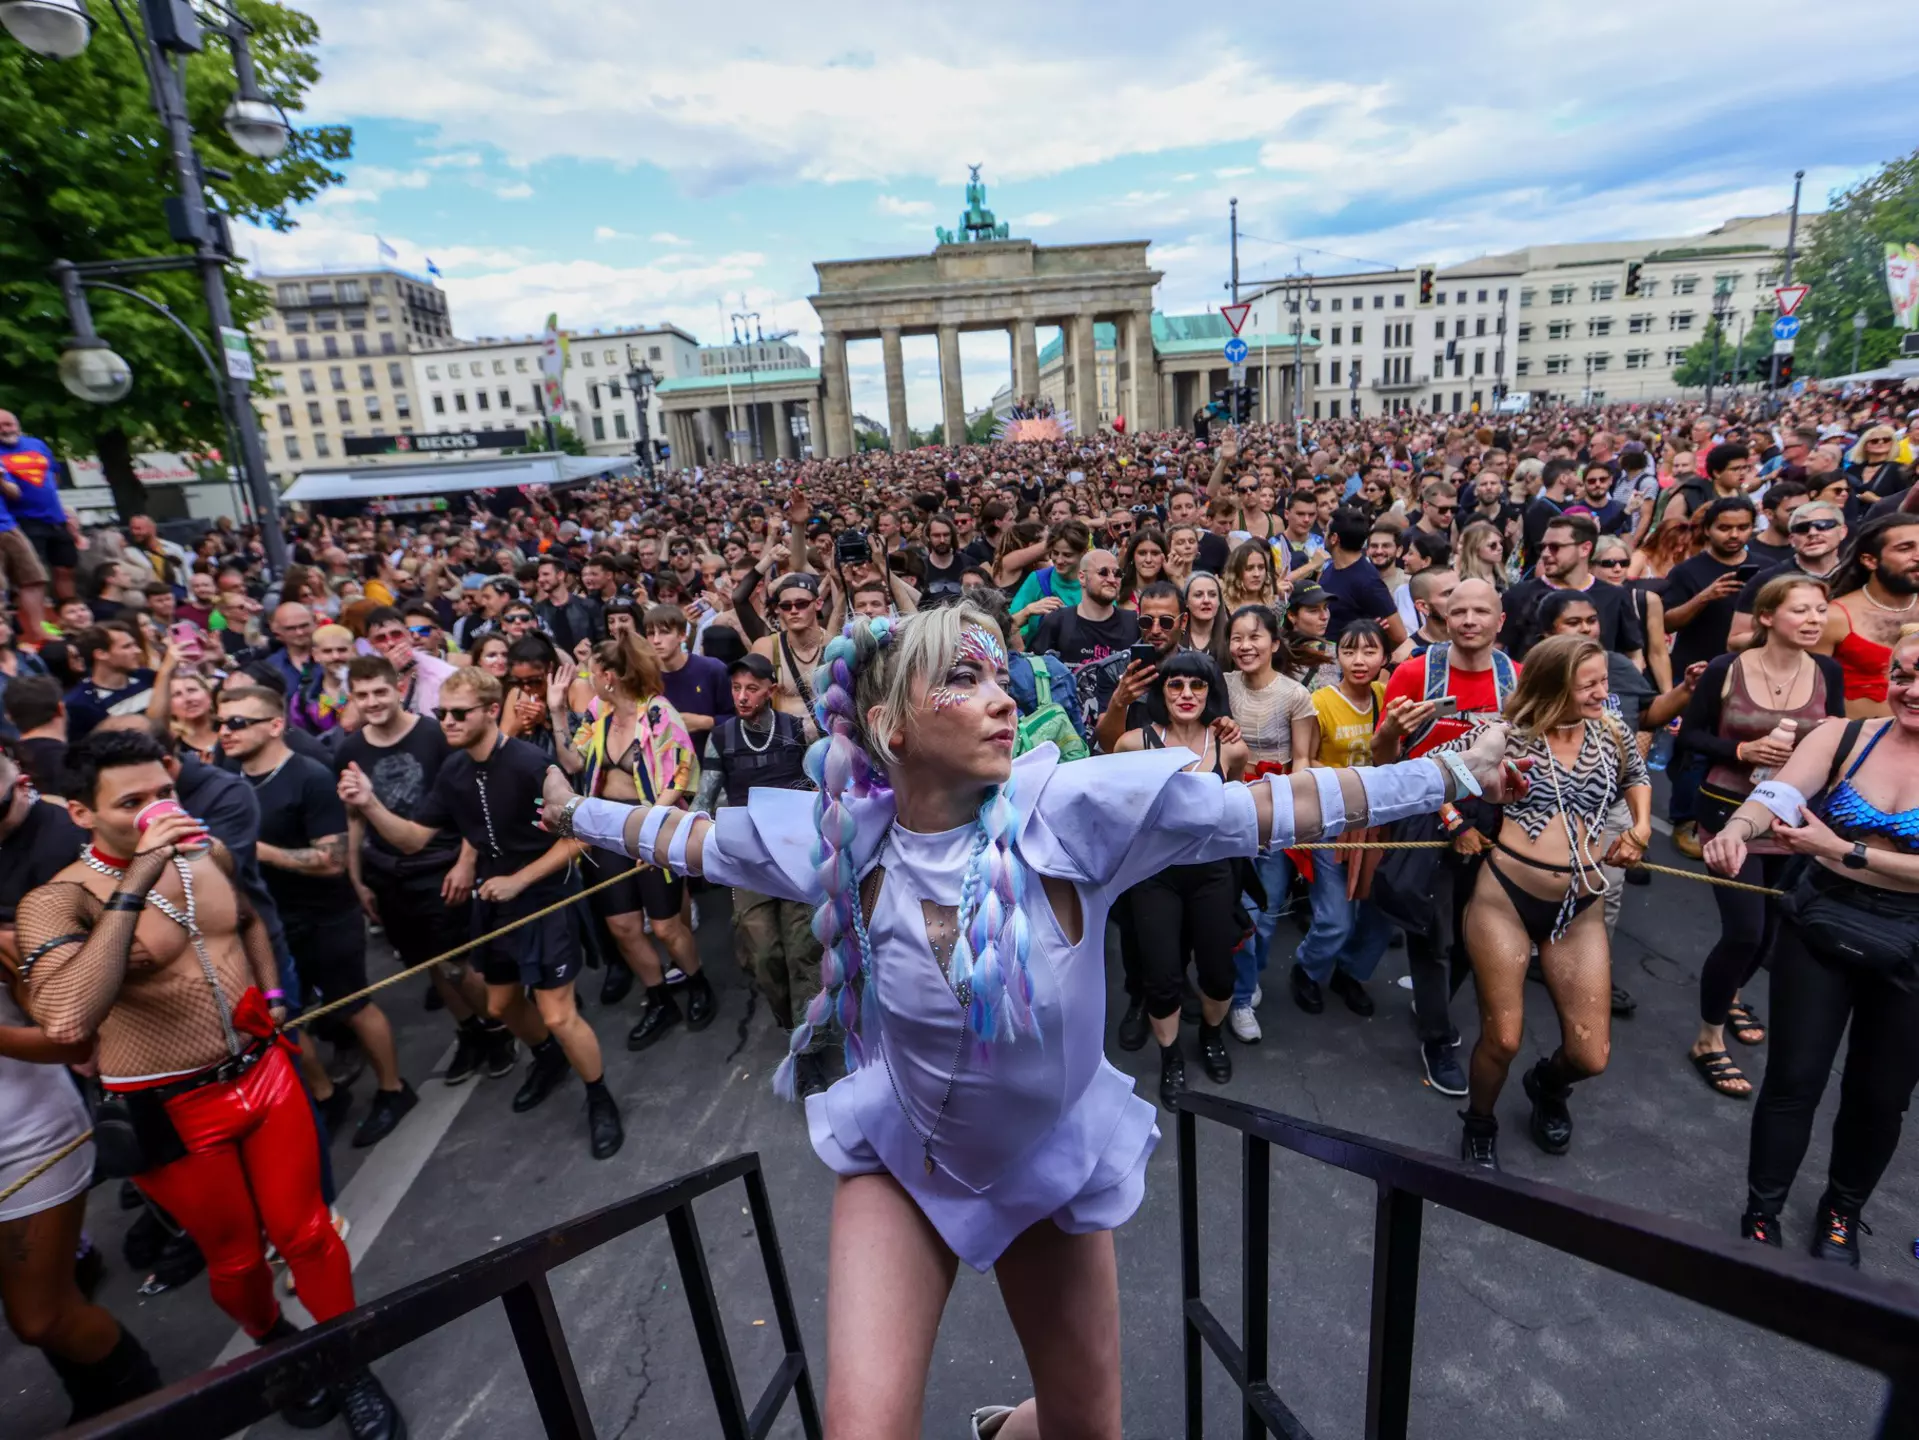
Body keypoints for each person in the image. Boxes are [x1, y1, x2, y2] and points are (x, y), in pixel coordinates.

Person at [538, 604, 1521, 1438]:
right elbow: (694, 839)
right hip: (903, 1161)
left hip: (1044, 1167)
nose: (1004, 698)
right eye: (964, 682)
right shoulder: (842, 844)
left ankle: (1007, 1429)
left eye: (999, 677)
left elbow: (1276, 809)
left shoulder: (1073, 812)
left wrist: (1451, 774)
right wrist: (573, 813)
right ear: (888, 727)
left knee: (1084, 1431)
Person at [15, 728, 405, 1437]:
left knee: (310, 1233)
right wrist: (136, 876)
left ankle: (348, 1362)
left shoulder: (206, 851)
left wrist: (272, 994)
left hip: (263, 1070)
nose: (159, 809)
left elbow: (249, 918)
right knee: (235, 1262)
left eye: (164, 791)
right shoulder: (58, 900)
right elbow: (69, 1017)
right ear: (81, 815)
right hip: (173, 1109)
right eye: (132, 802)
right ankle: (276, 1347)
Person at [338, 666, 623, 1159]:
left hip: (541, 896)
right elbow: (413, 840)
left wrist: (519, 879)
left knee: (557, 1013)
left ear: (492, 712)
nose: (445, 721)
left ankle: (600, 1097)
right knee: (499, 1006)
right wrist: (368, 804)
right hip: (495, 899)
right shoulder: (453, 771)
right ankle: (547, 1060)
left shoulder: (532, 765)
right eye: (440, 713)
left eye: (457, 713)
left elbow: (579, 837)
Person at [1704, 637, 1919, 1264]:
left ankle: (1842, 1214)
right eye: (1901, 675)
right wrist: (1738, 831)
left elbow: (1832, 844)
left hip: (1912, 945)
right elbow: (1779, 796)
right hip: (1821, 921)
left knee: (1880, 1096)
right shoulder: (1845, 736)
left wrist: (1842, 849)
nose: (1911, 690)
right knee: (1793, 1079)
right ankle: (1762, 1209)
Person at [1442, 635, 1651, 1170]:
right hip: (1505, 900)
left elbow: (1637, 777)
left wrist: (1643, 828)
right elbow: (1436, 776)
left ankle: (1548, 1085)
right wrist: (1457, 823)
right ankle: (1481, 1121)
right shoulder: (1503, 735)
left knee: (1590, 1056)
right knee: (1503, 1038)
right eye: (1591, 684)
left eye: (1605, 680)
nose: (1604, 692)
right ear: (1553, 684)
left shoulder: (1610, 731)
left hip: (1579, 907)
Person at [217, 686, 416, 1148]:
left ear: (274, 725)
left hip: (326, 915)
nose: (226, 731)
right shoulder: (227, 778)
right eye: (223, 722)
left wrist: (251, 850)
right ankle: (326, 1096)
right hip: (268, 921)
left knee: (353, 1005)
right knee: (285, 1016)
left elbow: (330, 859)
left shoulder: (307, 776)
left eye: (239, 722)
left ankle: (394, 1090)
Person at [1678, 576, 1844, 1101]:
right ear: (1768, 616)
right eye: (1801, 610)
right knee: (1745, 931)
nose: (1815, 619)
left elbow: (1835, 737)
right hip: (1728, 815)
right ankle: (1708, 1039)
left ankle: (1732, 993)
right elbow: (1689, 737)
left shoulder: (1827, 672)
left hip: (1794, 821)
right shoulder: (1729, 670)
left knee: (1771, 932)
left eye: (1821, 609)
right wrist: (1742, 753)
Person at [335, 656, 521, 1087]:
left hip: (440, 865)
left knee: (458, 963)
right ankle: (470, 1032)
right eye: (361, 695)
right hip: (387, 873)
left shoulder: (436, 733)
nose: (372, 701)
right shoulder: (349, 749)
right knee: (428, 962)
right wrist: (357, 878)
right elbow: (354, 816)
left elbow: (473, 801)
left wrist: (464, 862)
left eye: (379, 691)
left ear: (398, 688)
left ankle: (499, 1030)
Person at [552, 633, 713, 1049]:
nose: (588, 679)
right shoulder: (597, 713)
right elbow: (572, 761)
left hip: (649, 826)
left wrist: (649, 832)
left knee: (664, 926)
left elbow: (680, 776)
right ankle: (659, 999)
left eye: (591, 672)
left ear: (609, 676)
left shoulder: (657, 713)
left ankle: (697, 983)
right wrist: (556, 714)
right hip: (606, 830)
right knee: (623, 925)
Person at [1114, 651, 1250, 1106]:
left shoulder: (1230, 747)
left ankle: (1211, 1036)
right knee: (1161, 976)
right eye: (1176, 685)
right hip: (1154, 877)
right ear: (1162, 691)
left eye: (1197, 685)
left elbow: (1234, 814)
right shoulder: (1134, 744)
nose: (1187, 694)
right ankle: (1171, 1057)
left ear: (1211, 692)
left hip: (1212, 873)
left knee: (1218, 973)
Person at [696, 653, 828, 1092]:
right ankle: (792, 1019)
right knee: (763, 951)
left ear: (771, 689)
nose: (742, 696)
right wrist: (695, 838)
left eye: (751, 688)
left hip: (793, 853)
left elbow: (824, 784)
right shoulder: (722, 737)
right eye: (735, 688)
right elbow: (704, 799)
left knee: (802, 948)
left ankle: (807, 1045)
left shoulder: (798, 730)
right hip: (748, 856)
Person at [1292, 621, 1395, 1019]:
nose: (1358, 660)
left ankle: (1350, 973)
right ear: (1338, 656)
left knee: (1377, 915)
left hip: (1382, 824)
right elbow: (1308, 759)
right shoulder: (1321, 701)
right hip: (1334, 821)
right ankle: (1308, 968)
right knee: (1335, 918)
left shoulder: (1388, 696)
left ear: (1385, 658)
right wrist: (1351, 784)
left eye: (1370, 651)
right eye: (1349, 651)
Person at [1223, 605, 1317, 1043]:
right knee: (1246, 907)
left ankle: (1251, 974)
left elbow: (1302, 758)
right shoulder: (1220, 687)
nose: (1245, 646)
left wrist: (1295, 816)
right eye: (1237, 638)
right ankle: (1240, 999)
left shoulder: (1296, 695)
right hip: (1232, 805)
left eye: (1255, 637)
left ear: (1275, 644)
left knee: (1271, 905)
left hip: (1277, 806)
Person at [1661, 496, 1757, 859]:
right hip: (1696, 673)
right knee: (1691, 750)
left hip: (1748, 674)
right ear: (1708, 529)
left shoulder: (1764, 569)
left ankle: (1730, 818)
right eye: (1725, 527)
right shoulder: (1688, 572)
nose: (1734, 535)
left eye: (1742, 527)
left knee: (1735, 746)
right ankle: (1684, 819)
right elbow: (1667, 621)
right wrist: (1705, 597)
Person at [1819, 514, 1919, 719]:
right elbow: (1807, 691)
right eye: (1905, 548)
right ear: (1870, 560)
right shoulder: (1834, 617)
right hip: (1860, 741)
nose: (1918, 556)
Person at [1727, 500, 1844, 650]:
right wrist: (1779, 633)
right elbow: (1734, 641)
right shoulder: (1767, 579)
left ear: (1843, 531)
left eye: (1823, 525)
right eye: (1802, 529)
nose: (1813, 533)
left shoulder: (1859, 576)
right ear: (1791, 540)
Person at [0, 410, 77, 605]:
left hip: (55, 518)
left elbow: (55, 474)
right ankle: (42, 617)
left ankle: (69, 610)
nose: (5, 429)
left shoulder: (37, 444)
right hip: (23, 520)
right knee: (34, 573)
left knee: (65, 567)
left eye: (9, 424)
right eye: (0, 426)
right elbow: (11, 490)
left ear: (17, 425)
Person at [1030, 547, 1138, 669]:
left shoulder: (1133, 622)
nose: (1112, 580)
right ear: (1082, 577)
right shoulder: (1057, 622)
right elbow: (1037, 672)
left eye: (1117, 574)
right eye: (1103, 572)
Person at [1319, 506, 1408, 653]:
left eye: (1326, 531)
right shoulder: (1330, 568)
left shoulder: (1368, 581)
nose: (1324, 535)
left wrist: (1370, 642)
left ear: (1334, 538)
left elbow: (1399, 636)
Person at [646, 603, 733, 737]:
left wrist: (706, 722)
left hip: (709, 754)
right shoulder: (643, 676)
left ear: (682, 635)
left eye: (664, 632)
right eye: (651, 634)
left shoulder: (712, 669)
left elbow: (740, 719)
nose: (656, 640)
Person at [63, 621, 156, 740]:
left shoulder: (147, 677)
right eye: (127, 647)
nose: (137, 651)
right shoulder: (80, 703)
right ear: (101, 654)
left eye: (135, 645)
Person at [365, 606, 457, 719]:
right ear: (371, 644)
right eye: (380, 638)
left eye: (396, 634)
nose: (391, 643)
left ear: (409, 635)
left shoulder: (443, 673)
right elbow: (348, 723)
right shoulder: (360, 673)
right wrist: (387, 671)